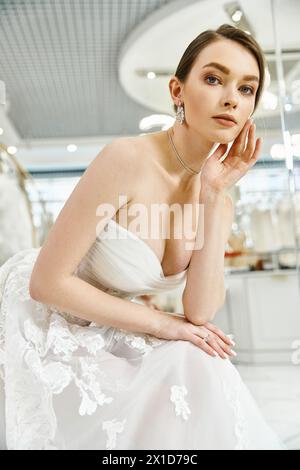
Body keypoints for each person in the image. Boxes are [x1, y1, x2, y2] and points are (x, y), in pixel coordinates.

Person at [0, 24, 287, 450]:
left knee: (201, 363)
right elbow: (46, 284)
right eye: (214, 79)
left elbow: (200, 310)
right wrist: (161, 324)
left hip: (110, 325)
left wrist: (210, 194)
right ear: (177, 90)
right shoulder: (127, 159)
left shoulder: (219, 197)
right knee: (185, 361)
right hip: (45, 317)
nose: (231, 98)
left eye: (247, 89)